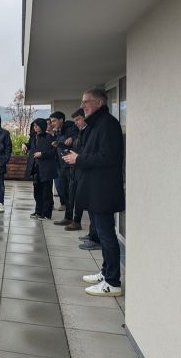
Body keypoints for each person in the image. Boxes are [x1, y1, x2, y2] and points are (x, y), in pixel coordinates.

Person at [63, 88, 125, 297]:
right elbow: (94, 153)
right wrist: (77, 156)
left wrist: (78, 159)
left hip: (103, 190)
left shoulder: (108, 124)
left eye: (86, 102)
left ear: (99, 102)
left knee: (107, 236)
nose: (83, 106)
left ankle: (112, 282)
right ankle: (107, 272)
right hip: (96, 189)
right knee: (102, 233)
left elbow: (108, 157)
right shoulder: (96, 124)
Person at [50, 111, 78, 227]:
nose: (52, 124)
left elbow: (79, 134)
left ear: (61, 120)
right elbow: (63, 145)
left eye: (54, 121)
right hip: (61, 165)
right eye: (51, 121)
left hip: (71, 166)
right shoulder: (58, 131)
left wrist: (72, 137)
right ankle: (68, 217)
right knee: (65, 193)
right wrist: (57, 143)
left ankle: (75, 220)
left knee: (72, 194)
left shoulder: (72, 128)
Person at [26, 118, 57, 220]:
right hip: (36, 168)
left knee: (46, 192)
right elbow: (29, 145)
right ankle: (38, 211)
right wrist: (24, 145)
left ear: (42, 126)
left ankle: (47, 214)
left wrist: (42, 154)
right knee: (37, 191)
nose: (35, 127)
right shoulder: (33, 137)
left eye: (37, 125)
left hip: (46, 168)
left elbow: (54, 153)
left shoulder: (49, 137)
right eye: (34, 126)